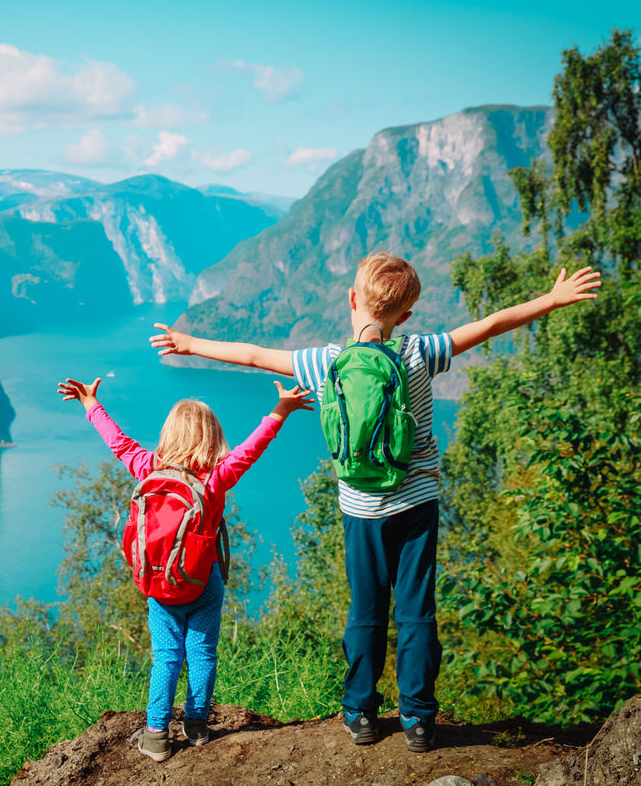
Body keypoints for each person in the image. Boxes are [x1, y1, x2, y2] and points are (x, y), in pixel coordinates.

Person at [149, 251, 601, 753]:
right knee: (416, 612)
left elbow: (254, 355)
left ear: (352, 299)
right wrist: (552, 300)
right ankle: (419, 719)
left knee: (366, 611)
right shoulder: (421, 352)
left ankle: (361, 713)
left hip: (360, 511)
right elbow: (492, 325)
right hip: (417, 506)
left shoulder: (326, 362)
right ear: (405, 316)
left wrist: (189, 344)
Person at [58, 375, 313, 762]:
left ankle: (157, 735)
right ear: (211, 438)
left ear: (169, 433)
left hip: (159, 583)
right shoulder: (215, 478)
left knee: (166, 656)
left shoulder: (149, 469)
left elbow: (119, 443)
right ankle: (196, 726)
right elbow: (251, 449)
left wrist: (91, 405)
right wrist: (281, 409)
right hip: (203, 581)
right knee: (203, 653)